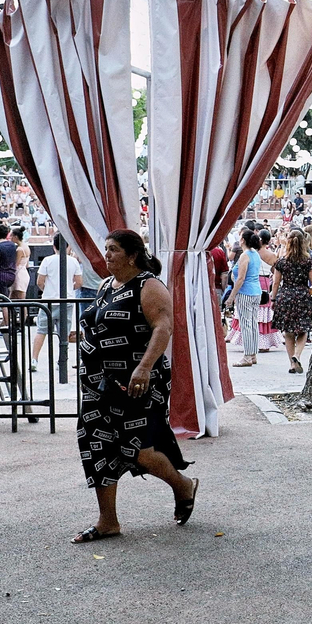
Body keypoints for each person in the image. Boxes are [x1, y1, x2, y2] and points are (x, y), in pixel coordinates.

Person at [72, 230, 196, 543]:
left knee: (139, 450)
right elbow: (99, 322)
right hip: (99, 383)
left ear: (132, 255)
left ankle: (182, 485)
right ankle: (107, 520)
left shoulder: (149, 286)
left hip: (140, 382)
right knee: (96, 444)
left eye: (113, 249)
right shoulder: (104, 285)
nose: (107, 255)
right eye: (106, 249)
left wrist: (143, 368)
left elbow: (163, 328)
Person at [31, 237, 83, 369]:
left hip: (48, 300)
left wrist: (46, 289)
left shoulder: (47, 261)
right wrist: (70, 288)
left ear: (54, 246)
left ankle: (34, 359)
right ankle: (62, 361)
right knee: (63, 333)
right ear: (68, 247)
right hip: (67, 300)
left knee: (41, 331)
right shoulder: (73, 262)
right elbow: (79, 283)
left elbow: (39, 281)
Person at [272, 229, 312, 373]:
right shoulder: (307, 262)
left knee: (288, 332)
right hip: (302, 297)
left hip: (285, 297)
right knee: (303, 330)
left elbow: (276, 282)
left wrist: (273, 298)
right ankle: (297, 355)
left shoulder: (281, 262)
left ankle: (292, 362)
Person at [221, 227, 263, 366]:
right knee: (253, 323)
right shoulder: (255, 254)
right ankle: (253, 353)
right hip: (256, 291)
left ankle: (247, 356)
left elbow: (241, 278)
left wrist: (231, 296)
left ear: (243, 240)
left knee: (246, 324)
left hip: (245, 292)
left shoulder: (245, 256)